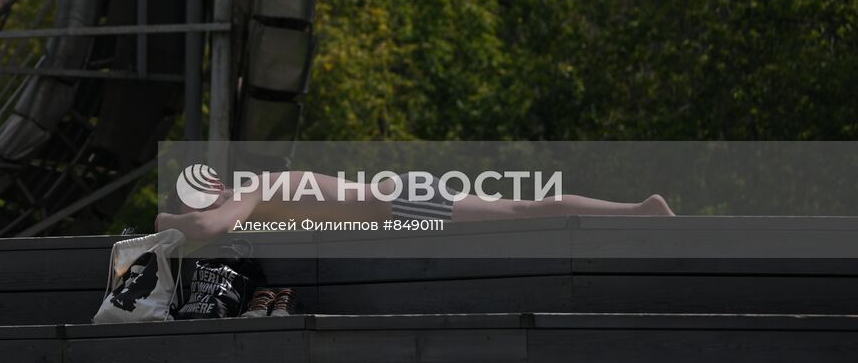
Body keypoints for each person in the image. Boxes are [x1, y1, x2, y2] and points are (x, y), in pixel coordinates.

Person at [155, 171, 673, 242]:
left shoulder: (254, 188)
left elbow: (205, 226)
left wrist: (163, 221)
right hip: (401, 202)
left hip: (402, 204)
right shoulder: (260, 192)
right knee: (524, 212)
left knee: (525, 212)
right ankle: (635, 213)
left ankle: (639, 212)